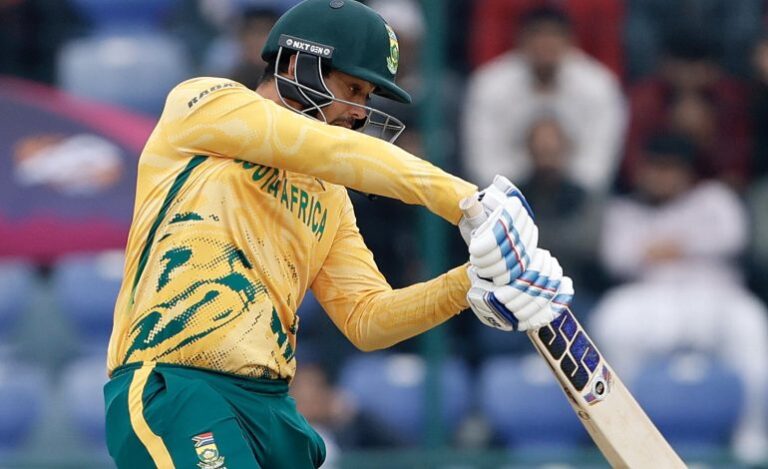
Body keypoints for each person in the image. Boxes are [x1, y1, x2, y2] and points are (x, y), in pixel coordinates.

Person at [102, 1, 572, 467]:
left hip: (271, 405)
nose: (359, 113)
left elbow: (367, 319)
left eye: (367, 97)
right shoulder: (203, 104)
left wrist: (469, 283)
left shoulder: (328, 193)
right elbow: (330, 149)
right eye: (353, 89)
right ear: (297, 65)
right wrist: (469, 201)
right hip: (178, 384)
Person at [590, 133, 768, 463]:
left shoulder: (714, 199)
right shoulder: (624, 209)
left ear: (686, 171)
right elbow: (615, 257)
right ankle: (625, 437)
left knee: (752, 322)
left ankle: (753, 434)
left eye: (670, 168)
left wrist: (664, 247)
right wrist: (685, 243)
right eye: (655, 168)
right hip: (651, 300)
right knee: (611, 320)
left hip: (715, 297)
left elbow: (733, 237)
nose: (662, 176)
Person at [462, 5, 625, 194]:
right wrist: (529, 180)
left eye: (554, 37)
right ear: (521, 40)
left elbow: (598, 166)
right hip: (508, 195)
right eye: (538, 36)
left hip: (577, 197)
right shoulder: (489, 84)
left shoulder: (599, 85)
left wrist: (562, 182)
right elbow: (484, 164)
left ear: (570, 41)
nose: (545, 46)